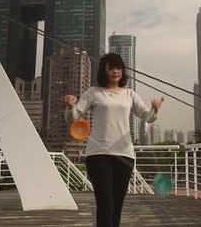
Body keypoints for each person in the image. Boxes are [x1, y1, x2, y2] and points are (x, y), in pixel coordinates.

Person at [64, 53, 163, 227]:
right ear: (104, 70)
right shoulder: (93, 92)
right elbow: (73, 118)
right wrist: (70, 105)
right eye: (111, 67)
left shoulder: (130, 94)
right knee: (105, 204)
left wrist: (155, 109)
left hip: (124, 156)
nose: (115, 71)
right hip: (98, 155)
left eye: (118, 67)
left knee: (116, 206)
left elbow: (147, 117)